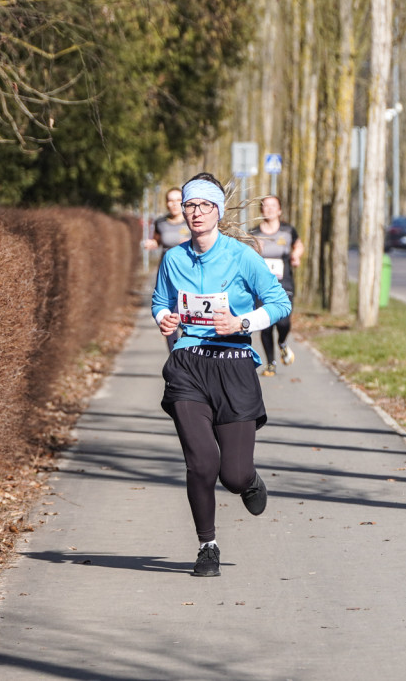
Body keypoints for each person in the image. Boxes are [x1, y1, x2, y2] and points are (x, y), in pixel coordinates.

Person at [151, 172, 291, 577]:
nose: (196, 213)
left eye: (205, 206)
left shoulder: (241, 256)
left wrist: (243, 324)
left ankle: (248, 480)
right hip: (188, 365)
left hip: (233, 367)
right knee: (201, 463)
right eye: (191, 205)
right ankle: (206, 546)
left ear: (218, 211)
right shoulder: (174, 258)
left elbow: (279, 302)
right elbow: (160, 300)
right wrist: (165, 319)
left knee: (231, 473)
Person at [249, 195, 303, 377]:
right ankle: (270, 363)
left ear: (279, 210)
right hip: (261, 286)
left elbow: (298, 244)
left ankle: (282, 342)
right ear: (261, 210)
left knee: (283, 321)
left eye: (274, 206)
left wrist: (296, 255)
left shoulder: (288, 230)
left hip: (284, 282)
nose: (270, 209)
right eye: (266, 206)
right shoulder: (254, 233)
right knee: (265, 324)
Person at [144, 187, 191, 351]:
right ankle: (175, 356)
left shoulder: (191, 221)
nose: (174, 204)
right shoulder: (161, 222)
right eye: (170, 200)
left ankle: (191, 352)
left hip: (187, 273)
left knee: (184, 313)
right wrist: (152, 244)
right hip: (166, 272)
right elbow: (157, 240)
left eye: (178, 200)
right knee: (168, 313)